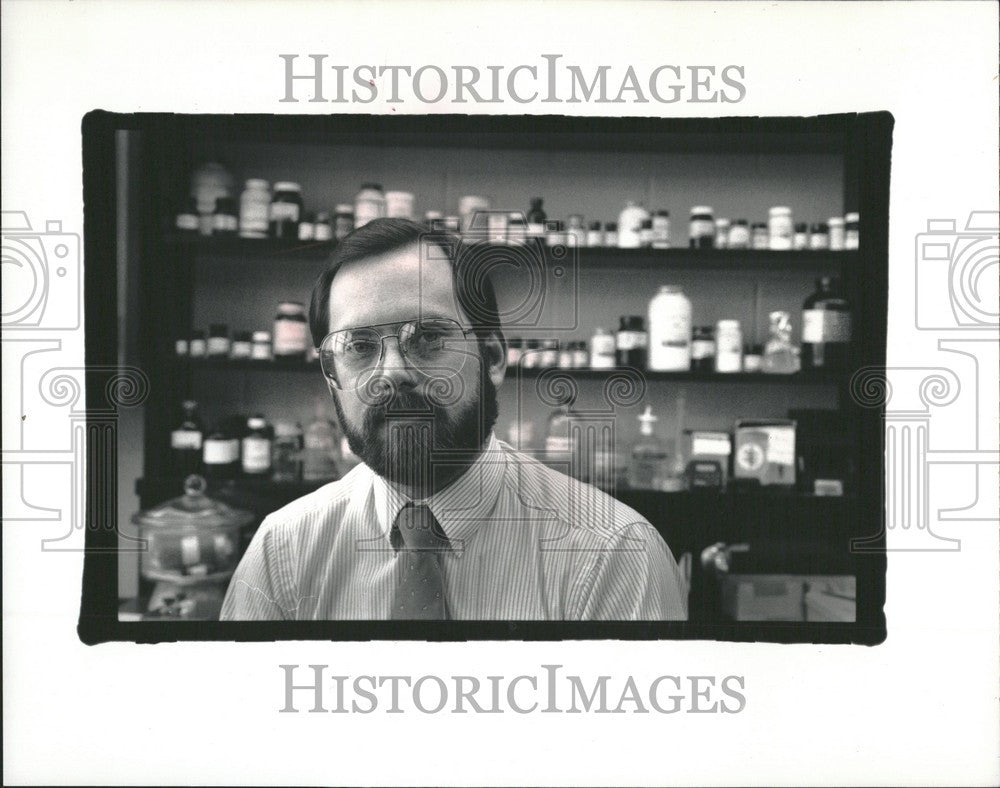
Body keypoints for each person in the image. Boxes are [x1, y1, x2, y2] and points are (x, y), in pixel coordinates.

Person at [221, 218, 687, 620]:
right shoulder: (282, 554)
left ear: (493, 358)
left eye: (428, 337)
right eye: (360, 347)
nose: (394, 372)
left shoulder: (614, 556)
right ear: (332, 376)